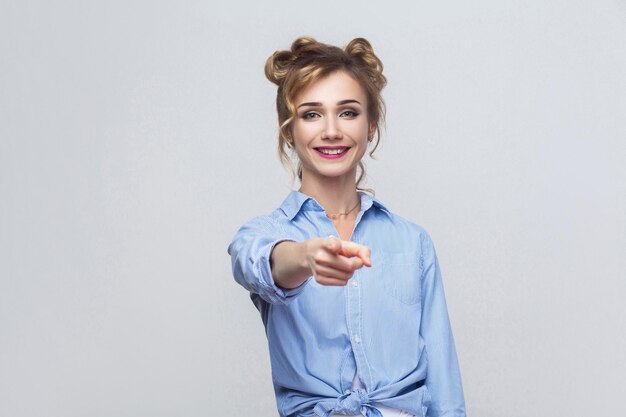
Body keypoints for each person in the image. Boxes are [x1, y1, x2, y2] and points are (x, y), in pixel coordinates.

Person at [227, 36, 465, 417]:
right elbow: (256, 263)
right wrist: (306, 257)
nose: (332, 130)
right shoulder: (262, 235)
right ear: (289, 131)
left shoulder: (412, 242)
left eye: (349, 112)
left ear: (372, 125)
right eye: (311, 114)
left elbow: (443, 379)